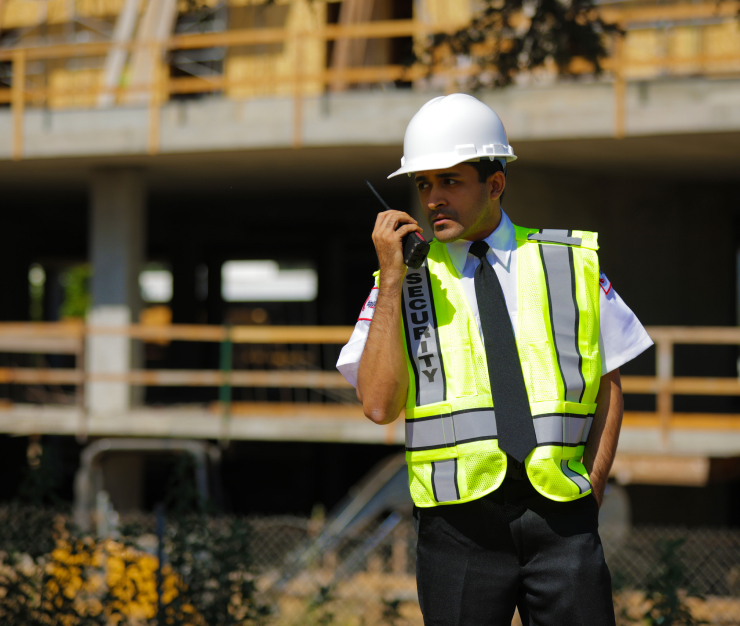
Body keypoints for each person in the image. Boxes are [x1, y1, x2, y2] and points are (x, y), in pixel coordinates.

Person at [336, 93, 653, 626]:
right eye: (424, 185)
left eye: (451, 182)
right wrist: (392, 277)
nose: (433, 198)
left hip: (564, 523)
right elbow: (377, 405)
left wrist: (589, 494)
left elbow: (609, 386)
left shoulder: (569, 263)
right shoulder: (401, 284)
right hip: (457, 533)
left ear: (495, 183)